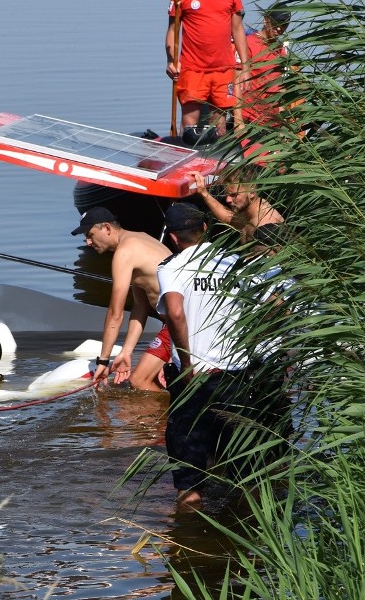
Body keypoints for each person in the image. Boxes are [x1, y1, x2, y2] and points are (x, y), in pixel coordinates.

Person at [156, 204, 248, 509]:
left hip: (197, 380)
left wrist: (186, 363)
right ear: (206, 229)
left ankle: (188, 549)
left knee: (189, 482)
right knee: (247, 477)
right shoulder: (234, 263)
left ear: (172, 237)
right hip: (238, 377)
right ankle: (255, 544)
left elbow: (176, 311)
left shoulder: (172, 267)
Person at [72, 206, 172, 390]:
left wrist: (103, 361)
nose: (87, 242)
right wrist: (126, 352)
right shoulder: (140, 238)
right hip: (179, 321)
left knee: (139, 381)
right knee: (158, 380)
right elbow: (141, 306)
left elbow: (115, 314)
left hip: (182, 322)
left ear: (107, 228)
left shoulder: (124, 253)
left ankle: (166, 418)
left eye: (90, 234)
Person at [166, 0, 251, 135]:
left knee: (219, 125)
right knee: (189, 124)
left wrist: (246, 67)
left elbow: (237, 29)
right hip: (192, 68)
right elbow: (172, 30)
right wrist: (171, 61)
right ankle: (186, 160)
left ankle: (214, 163)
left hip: (222, 69)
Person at [189, 163, 283, 243]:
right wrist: (203, 193)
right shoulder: (251, 211)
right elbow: (229, 218)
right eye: (227, 195)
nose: (228, 200)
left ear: (251, 192)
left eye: (234, 195)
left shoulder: (266, 228)